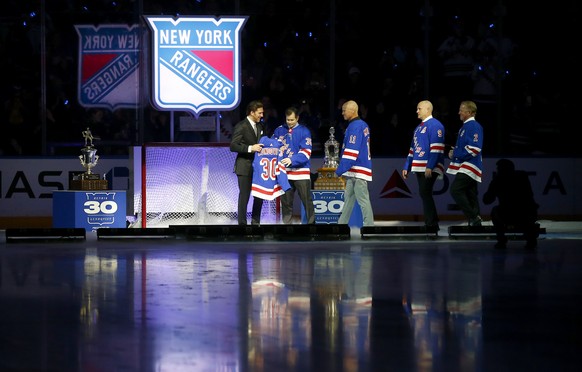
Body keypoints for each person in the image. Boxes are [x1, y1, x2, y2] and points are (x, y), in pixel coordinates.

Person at [402, 100, 446, 230]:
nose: (417, 111)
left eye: (419, 108)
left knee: (425, 192)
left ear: (428, 109)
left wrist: (430, 166)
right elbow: (412, 149)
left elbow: (437, 148)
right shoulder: (418, 127)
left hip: (428, 167)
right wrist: (407, 166)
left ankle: (431, 223)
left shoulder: (436, 125)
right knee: (424, 193)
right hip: (419, 166)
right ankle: (432, 222)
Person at [483, 158, 539, 250]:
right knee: (529, 209)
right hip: (526, 213)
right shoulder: (522, 176)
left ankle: (501, 240)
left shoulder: (498, 180)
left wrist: (493, 186)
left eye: (498, 168)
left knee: (495, 210)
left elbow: (487, 200)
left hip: (509, 214)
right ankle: (530, 239)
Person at [272, 106, 315, 224]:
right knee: (286, 203)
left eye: (292, 120)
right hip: (284, 174)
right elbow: (272, 147)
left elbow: (306, 153)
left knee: (307, 201)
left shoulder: (304, 131)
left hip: (301, 173)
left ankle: (312, 226)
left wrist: (291, 160)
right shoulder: (279, 130)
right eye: (288, 120)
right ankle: (287, 227)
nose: (289, 122)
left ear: (297, 118)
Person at [335, 100, 374, 226]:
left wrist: (339, 171)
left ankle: (369, 227)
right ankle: (341, 225)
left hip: (358, 169)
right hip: (355, 170)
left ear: (352, 110)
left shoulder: (355, 126)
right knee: (349, 200)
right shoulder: (361, 125)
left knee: (363, 200)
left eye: (344, 110)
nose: (342, 113)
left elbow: (351, 152)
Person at [446, 100, 484, 226]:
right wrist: (454, 152)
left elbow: (474, 148)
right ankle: (475, 221)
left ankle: (474, 218)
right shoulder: (466, 127)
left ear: (469, 112)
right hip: (468, 164)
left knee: (456, 190)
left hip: (470, 165)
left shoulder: (473, 126)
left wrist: (456, 153)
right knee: (470, 193)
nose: (459, 113)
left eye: (461, 110)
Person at [230, 100, 265, 225]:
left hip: (258, 168)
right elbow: (233, 145)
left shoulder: (260, 126)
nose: (262, 115)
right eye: (260, 113)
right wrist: (251, 148)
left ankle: (255, 223)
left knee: (260, 195)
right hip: (244, 167)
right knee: (244, 196)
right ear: (252, 112)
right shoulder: (242, 126)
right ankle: (242, 225)